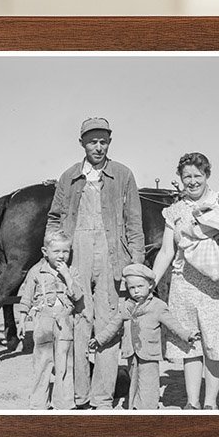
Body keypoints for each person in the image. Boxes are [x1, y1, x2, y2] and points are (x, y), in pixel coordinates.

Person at [48, 117, 145, 409]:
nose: (98, 147)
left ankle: (103, 398)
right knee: (79, 322)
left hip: (112, 255)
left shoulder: (123, 175)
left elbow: (134, 223)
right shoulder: (69, 177)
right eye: (93, 141)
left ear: (109, 143)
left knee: (108, 325)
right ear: (82, 143)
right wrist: (54, 258)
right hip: (76, 255)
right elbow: (54, 218)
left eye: (103, 141)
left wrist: (135, 265)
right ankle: (81, 396)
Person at [152, 153, 219, 410]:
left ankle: (210, 403)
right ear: (180, 179)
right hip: (184, 284)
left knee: (215, 345)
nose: (192, 181)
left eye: (197, 176)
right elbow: (166, 252)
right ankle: (192, 402)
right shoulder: (174, 210)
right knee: (190, 344)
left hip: (217, 287)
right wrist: (152, 281)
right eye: (187, 177)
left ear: (207, 175)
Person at [88, 263, 198, 410]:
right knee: (134, 379)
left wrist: (187, 335)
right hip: (131, 351)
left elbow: (173, 324)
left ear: (150, 285)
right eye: (132, 288)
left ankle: (148, 408)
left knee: (149, 381)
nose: (136, 291)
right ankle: (135, 406)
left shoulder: (158, 306)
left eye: (140, 286)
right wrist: (99, 339)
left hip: (149, 351)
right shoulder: (126, 306)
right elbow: (113, 325)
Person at [20, 229, 83, 410]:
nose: (62, 256)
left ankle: (63, 404)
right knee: (42, 363)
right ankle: (39, 403)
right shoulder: (36, 271)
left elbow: (78, 296)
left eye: (66, 251)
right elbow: (26, 297)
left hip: (64, 323)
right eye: (57, 251)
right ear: (45, 252)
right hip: (43, 322)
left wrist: (67, 276)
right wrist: (22, 320)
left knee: (64, 364)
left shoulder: (72, 272)